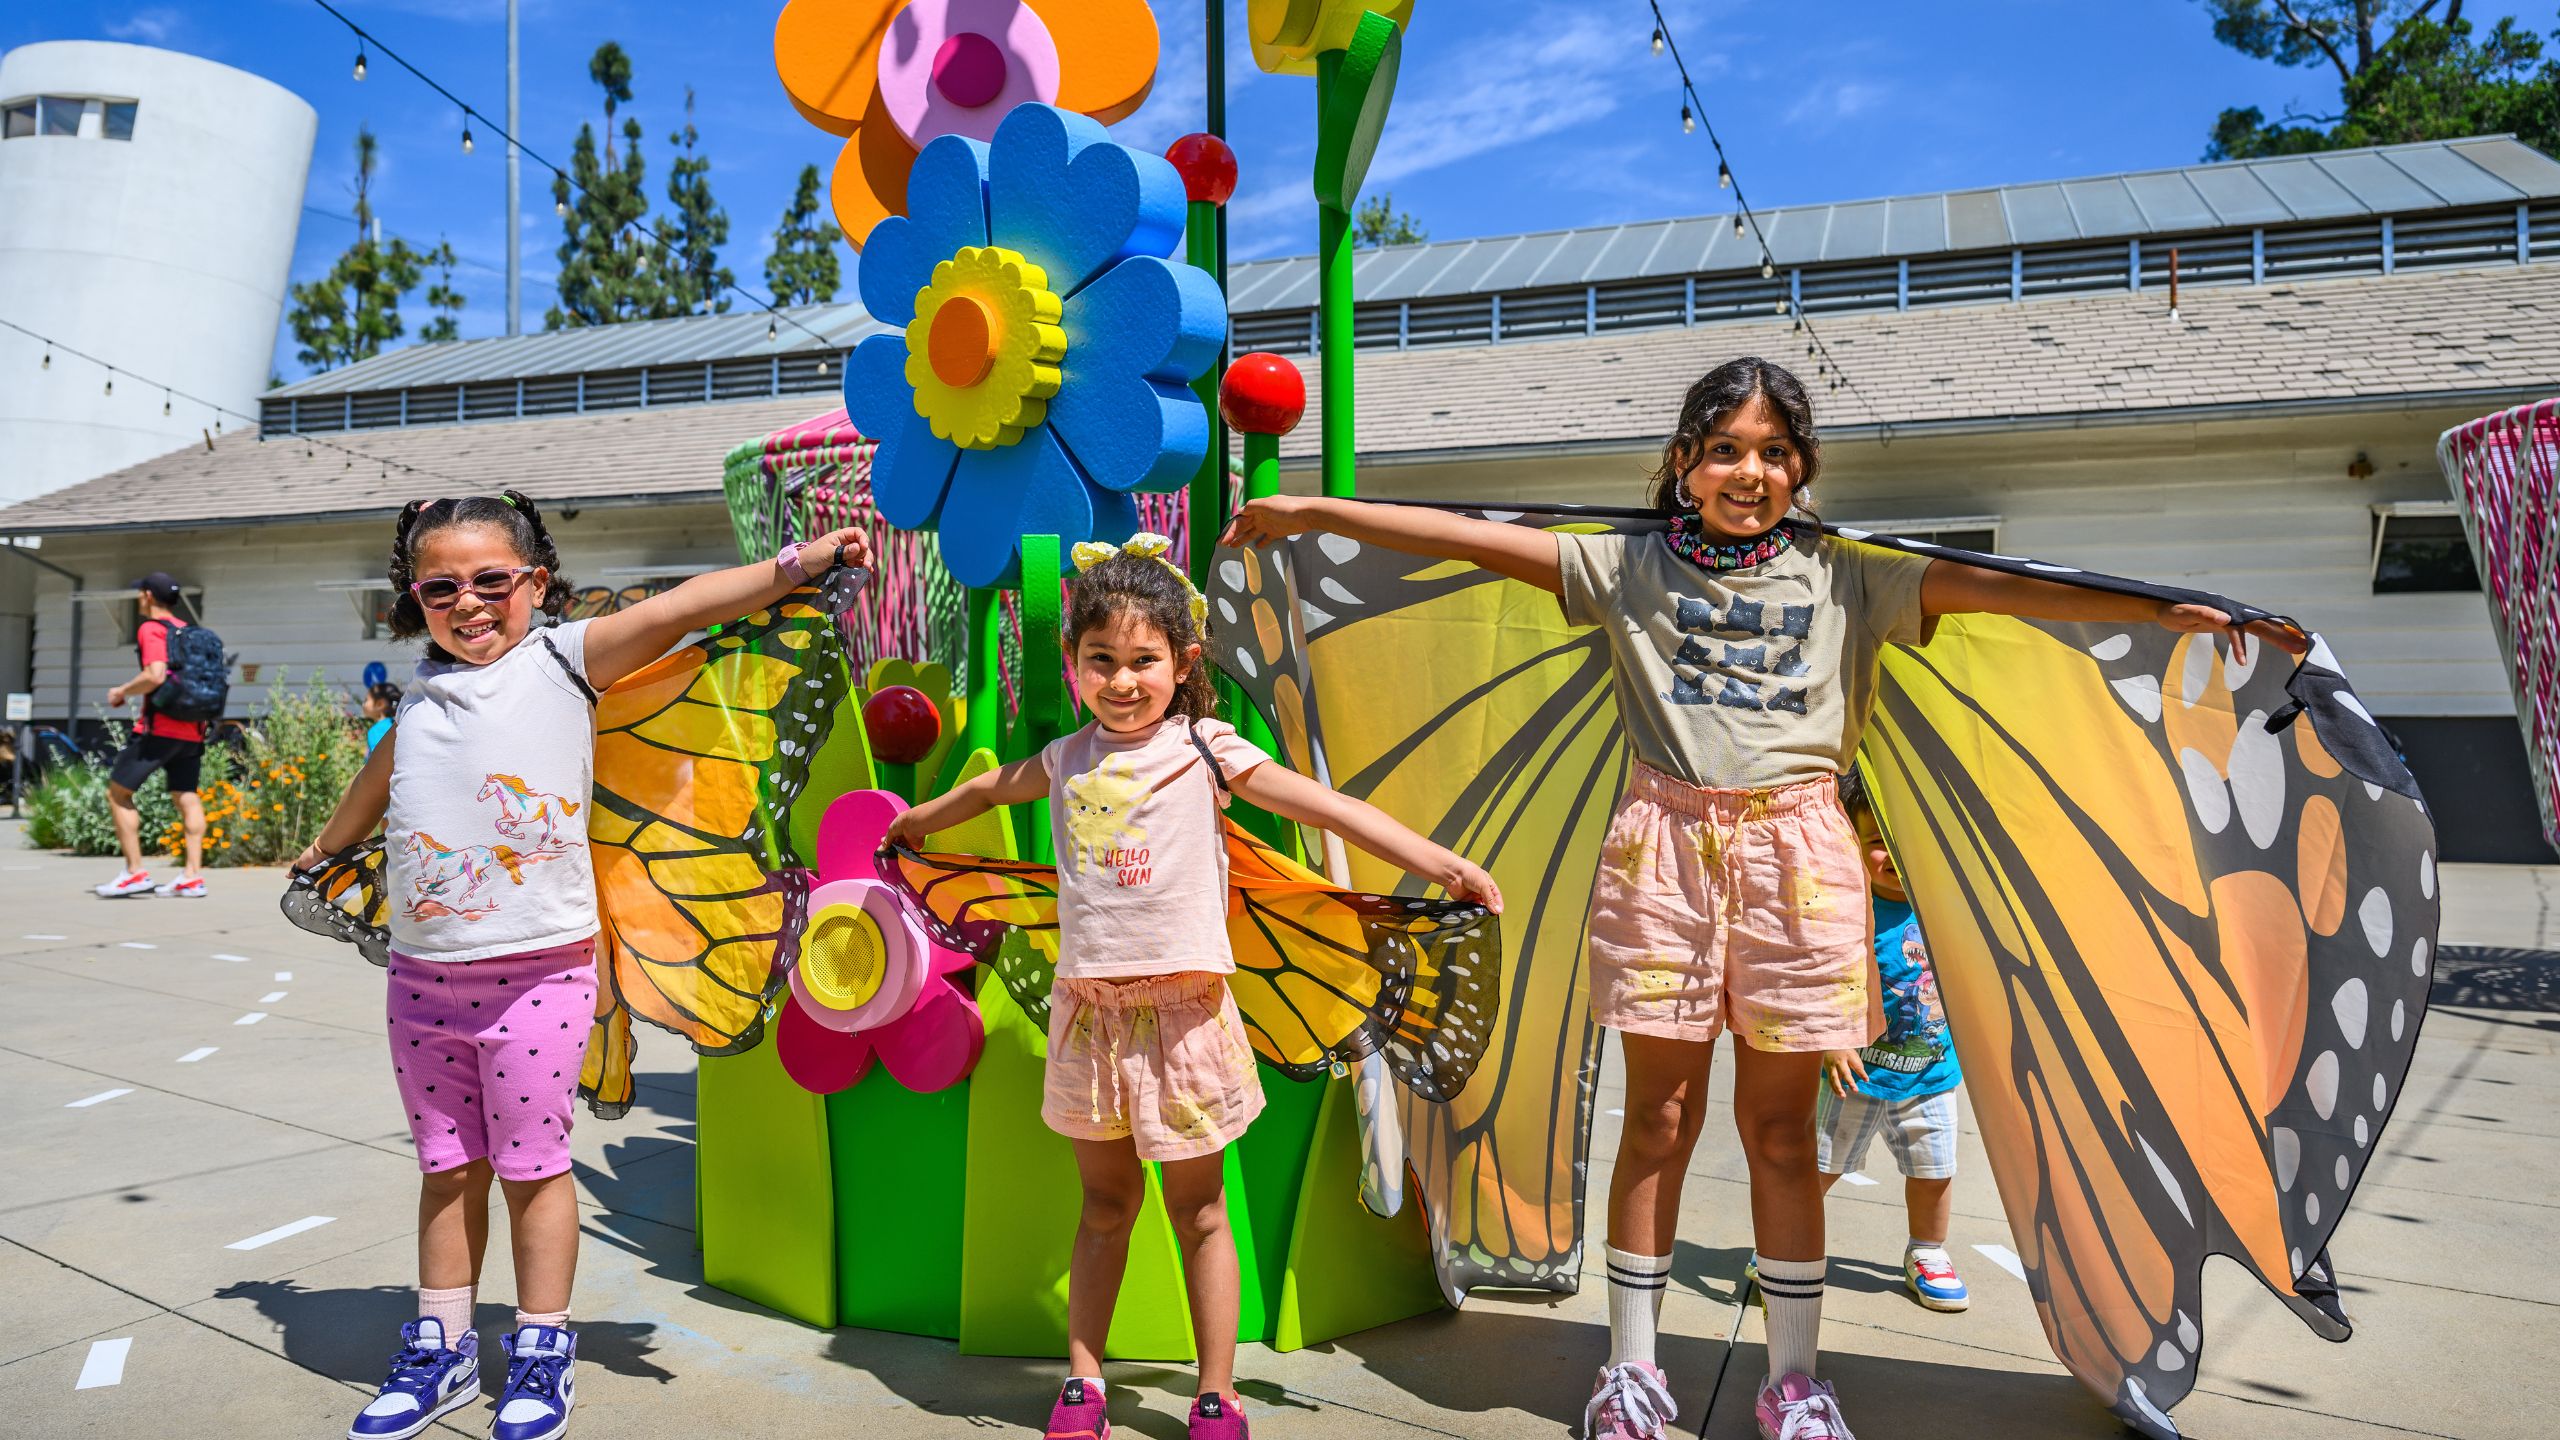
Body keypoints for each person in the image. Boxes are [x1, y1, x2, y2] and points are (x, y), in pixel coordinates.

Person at [1221, 356, 2303, 1440]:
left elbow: (2014, 590)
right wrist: (1310, 508)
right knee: (1658, 1118)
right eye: (1726, 449)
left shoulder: (1852, 578)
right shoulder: (1624, 569)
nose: (1751, 471)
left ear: (1801, 469)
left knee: (1784, 1134)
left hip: (1802, 858)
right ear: (1684, 464)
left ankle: (1794, 1380)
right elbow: (1462, 538)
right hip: (1662, 857)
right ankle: (1632, 1374)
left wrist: (2174, 610)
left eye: (1775, 452)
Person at [884, 537, 1501, 1440]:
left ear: (1182, 663)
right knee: (1103, 1208)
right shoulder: (1065, 759)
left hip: (1186, 1019)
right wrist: (915, 821)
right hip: (1090, 1018)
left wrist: (1437, 861)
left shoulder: (1206, 749)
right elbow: (984, 792)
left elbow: (1319, 805)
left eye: (1144, 660)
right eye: (1103, 660)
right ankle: (1085, 1383)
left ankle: (1218, 1393)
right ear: (1074, 663)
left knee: (1201, 1210)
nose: (1123, 680)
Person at [289, 491, 869, 1440]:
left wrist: (793, 567)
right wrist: (323, 846)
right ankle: (440, 1348)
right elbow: (378, 778)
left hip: (537, 978)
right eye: (442, 588)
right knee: (446, 1169)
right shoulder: (422, 698)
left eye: (491, 581)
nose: (469, 603)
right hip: (423, 982)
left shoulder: (562, 660)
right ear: (415, 597)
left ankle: (541, 1346)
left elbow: (676, 611)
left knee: (529, 1167)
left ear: (536, 584)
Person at [1814, 769, 1968, 1313]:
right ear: (1852, 842)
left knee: (1934, 1172)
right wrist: (1833, 1039)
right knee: (1819, 1168)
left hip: (1931, 1073)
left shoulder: (1945, 905)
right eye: (1879, 843)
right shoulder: (1848, 909)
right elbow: (1827, 976)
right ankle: (1788, 1247)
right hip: (1853, 1074)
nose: (1895, 857)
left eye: (1906, 842)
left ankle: (1928, 1250)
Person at [95, 571, 208, 899]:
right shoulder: (189, 632)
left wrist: (122, 691)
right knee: (185, 796)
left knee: (119, 793)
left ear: (147, 595)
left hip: (160, 728)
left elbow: (155, 674)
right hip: (194, 729)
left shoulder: (151, 629)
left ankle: (134, 872)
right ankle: (192, 876)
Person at [363, 680, 403, 754]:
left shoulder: (376, 730)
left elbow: (377, 759)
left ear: (380, 704)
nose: (363, 704)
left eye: (366, 700)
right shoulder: (397, 725)